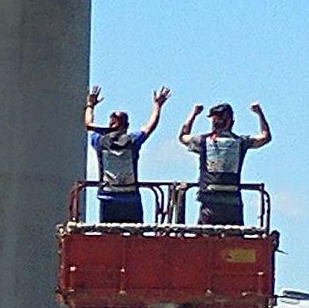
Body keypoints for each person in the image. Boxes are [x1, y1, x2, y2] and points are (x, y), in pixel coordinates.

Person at [84, 85, 170, 223]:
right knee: (135, 236)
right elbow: (150, 127)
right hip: (131, 197)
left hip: (108, 197)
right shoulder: (133, 141)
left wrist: (90, 105)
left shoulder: (100, 141)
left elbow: (88, 124)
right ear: (127, 125)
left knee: (109, 236)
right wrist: (157, 106)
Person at [178, 101, 271, 225]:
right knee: (235, 241)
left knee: (204, 239)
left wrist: (194, 113)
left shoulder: (203, 141)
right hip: (233, 204)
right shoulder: (241, 142)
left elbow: (183, 136)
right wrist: (259, 113)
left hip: (209, 204)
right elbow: (265, 137)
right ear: (231, 122)